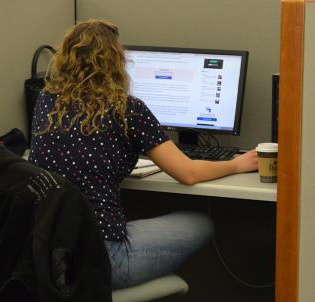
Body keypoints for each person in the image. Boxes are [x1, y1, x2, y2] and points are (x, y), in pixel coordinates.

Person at [29, 20, 258, 289]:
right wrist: (237, 164)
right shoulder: (126, 108)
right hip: (101, 261)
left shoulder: (46, 101)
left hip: (46, 256)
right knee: (201, 223)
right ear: (117, 62)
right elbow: (188, 173)